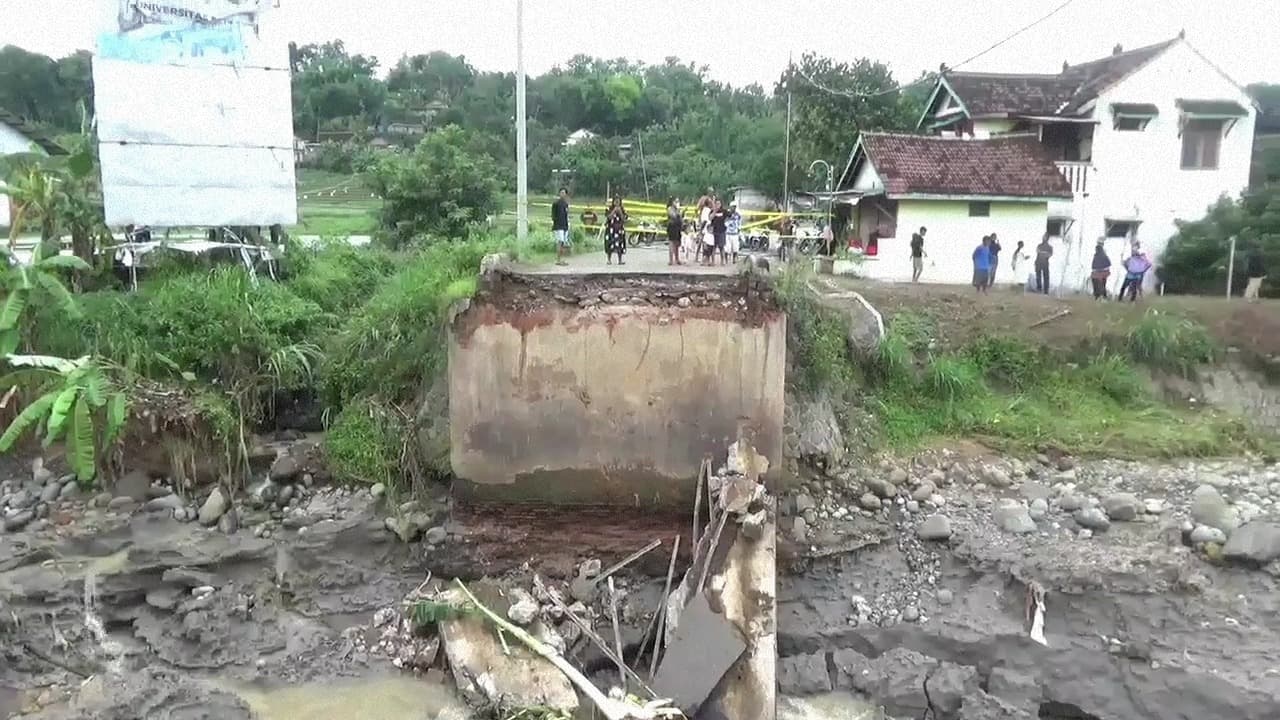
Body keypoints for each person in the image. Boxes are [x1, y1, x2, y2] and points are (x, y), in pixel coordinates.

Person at [604, 197, 627, 265]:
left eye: (618, 201)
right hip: (610, 229)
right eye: (615, 201)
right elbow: (608, 217)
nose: (617, 203)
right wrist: (614, 210)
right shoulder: (609, 209)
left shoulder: (622, 209)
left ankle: (620, 260)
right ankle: (609, 260)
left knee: (620, 244)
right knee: (610, 244)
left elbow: (624, 219)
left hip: (619, 229)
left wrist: (620, 212)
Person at [551, 187, 571, 266]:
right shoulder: (556, 203)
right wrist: (556, 222)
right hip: (558, 226)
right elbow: (553, 216)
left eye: (564, 193)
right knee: (560, 241)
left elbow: (566, 215)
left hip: (565, 226)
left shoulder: (566, 204)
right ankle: (558, 259)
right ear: (559, 193)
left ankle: (562, 259)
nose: (563, 194)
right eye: (561, 192)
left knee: (563, 243)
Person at [708, 199, 729, 266]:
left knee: (721, 247)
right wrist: (715, 211)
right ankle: (713, 261)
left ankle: (722, 261)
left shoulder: (724, 211)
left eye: (719, 204)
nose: (717, 205)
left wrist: (726, 223)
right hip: (714, 231)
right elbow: (710, 218)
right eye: (716, 204)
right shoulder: (712, 211)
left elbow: (729, 216)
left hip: (722, 230)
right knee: (713, 247)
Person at [665, 196, 683, 266]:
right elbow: (673, 216)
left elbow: (680, 218)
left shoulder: (678, 209)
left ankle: (677, 259)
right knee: (671, 242)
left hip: (677, 227)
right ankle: (671, 260)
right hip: (672, 226)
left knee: (677, 243)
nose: (677, 203)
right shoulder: (670, 209)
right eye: (676, 201)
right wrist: (678, 211)